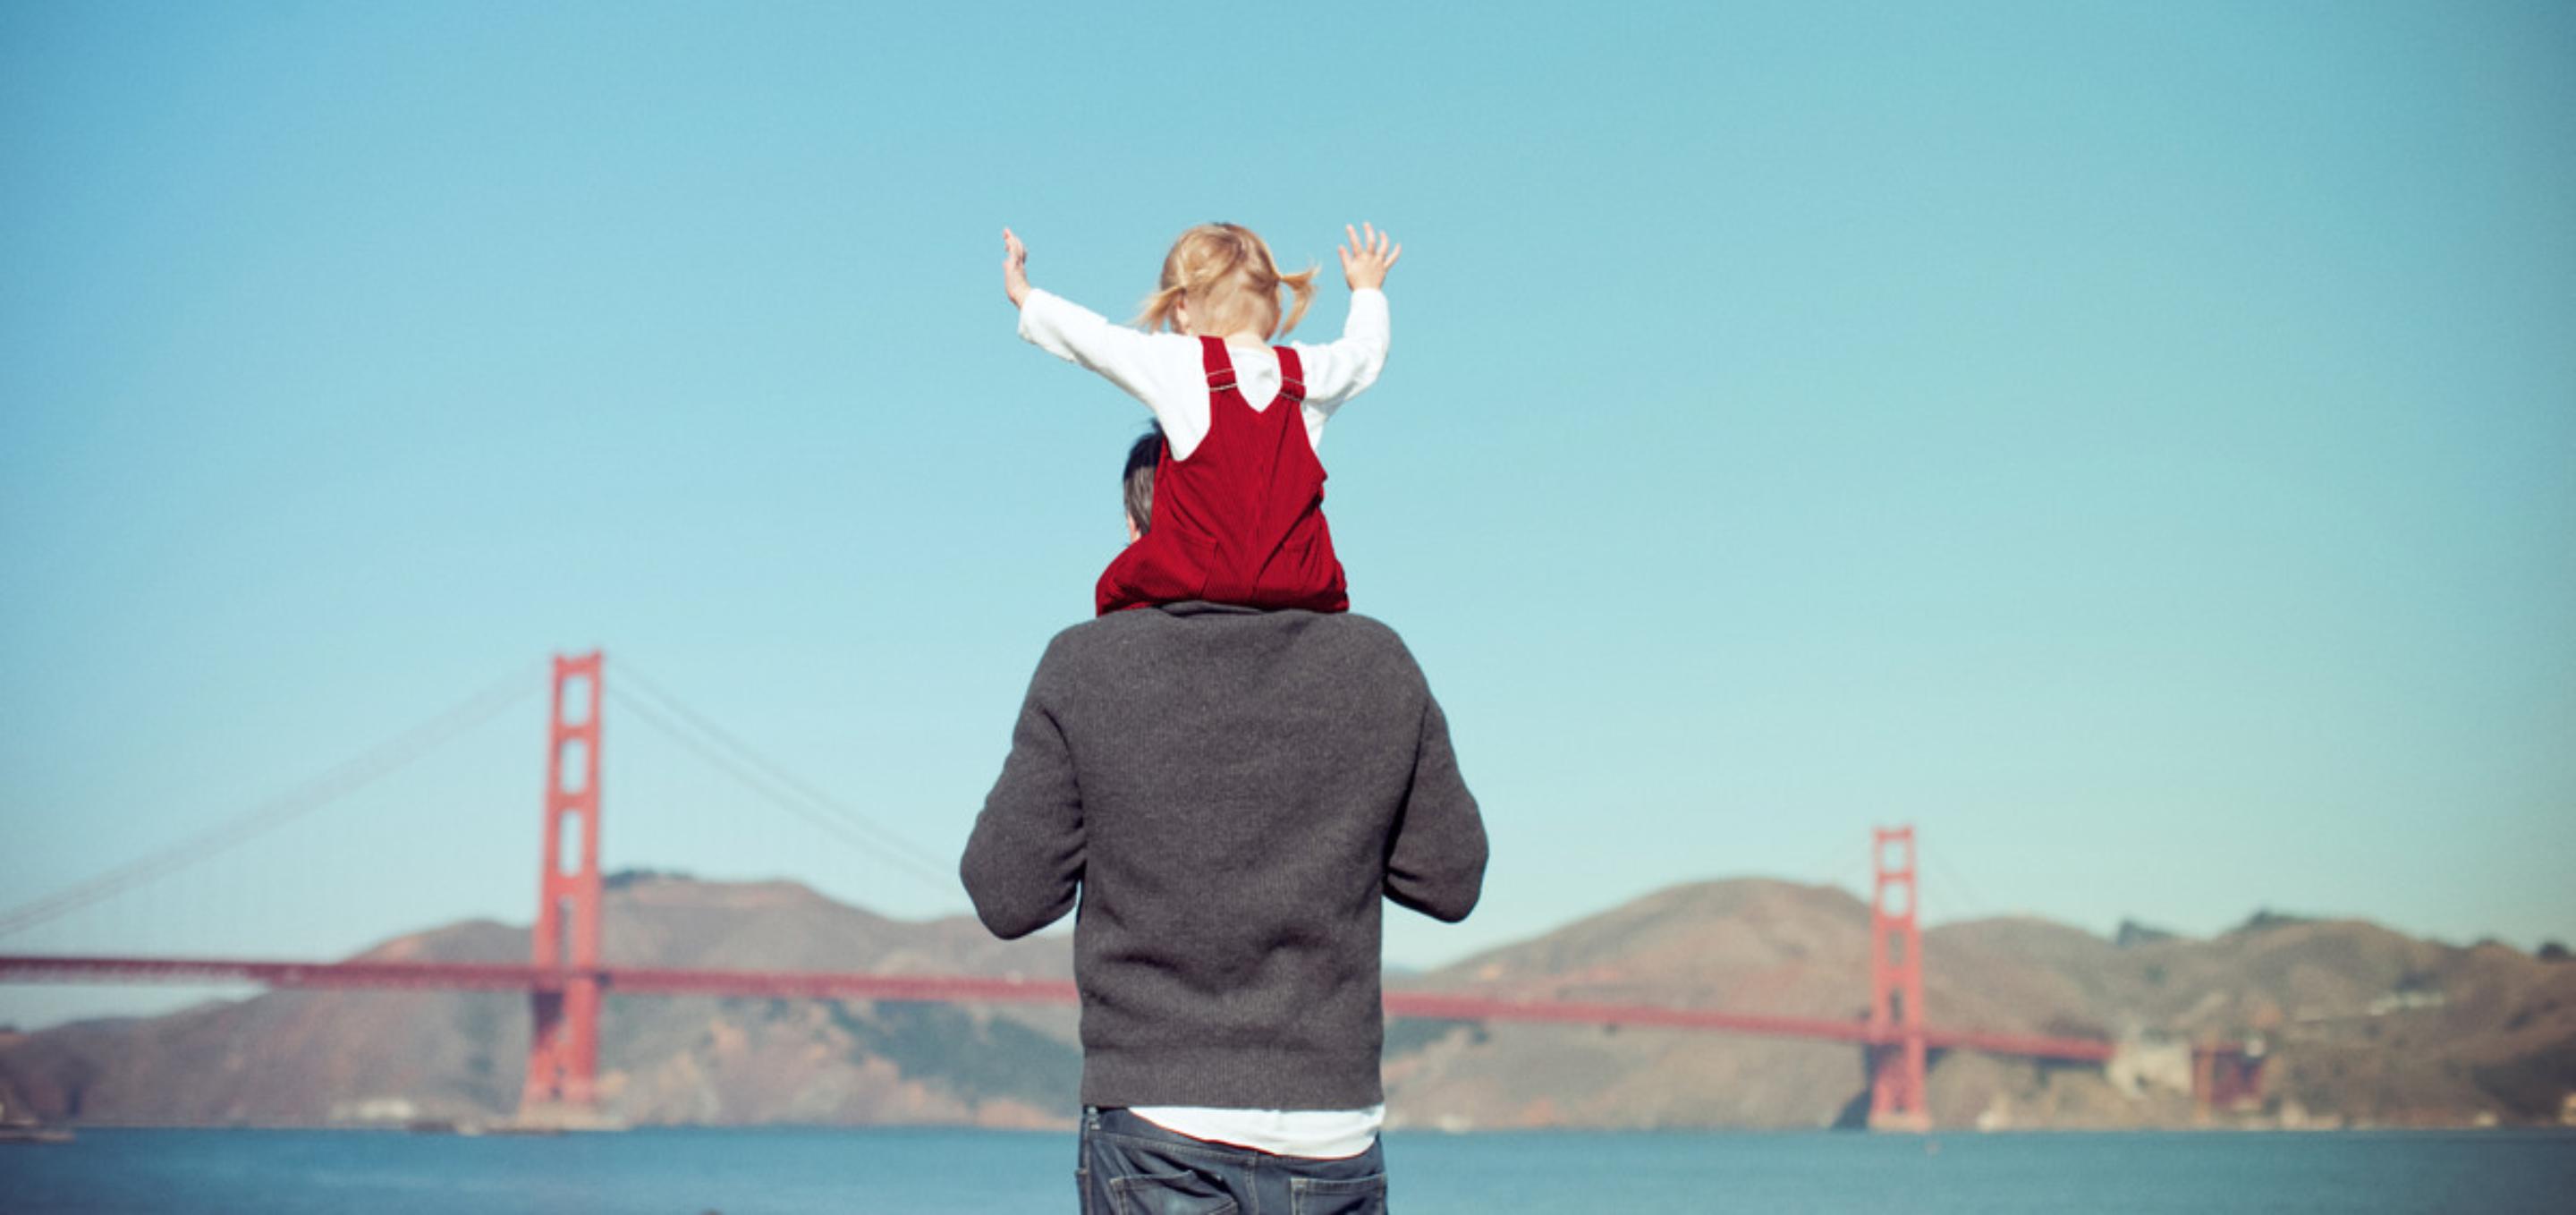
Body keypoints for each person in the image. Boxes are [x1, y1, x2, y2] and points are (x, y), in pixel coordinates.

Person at [961, 436, 1487, 1213]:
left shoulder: (1085, 666)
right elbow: (1450, 880)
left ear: (1146, 528)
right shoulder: (1379, 663)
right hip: (1330, 1132)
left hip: (1157, 1129)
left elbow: (1008, 896)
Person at [1002, 221, 1402, 616]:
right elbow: (1366, 352)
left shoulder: (1182, 364)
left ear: (1181, 310)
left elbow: (1097, 341)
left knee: (1116, 588)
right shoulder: (1307, 374)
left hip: (1199, 575)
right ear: (1277, 309)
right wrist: (1367, 290)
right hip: (1296, 580)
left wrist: (1026, 296)